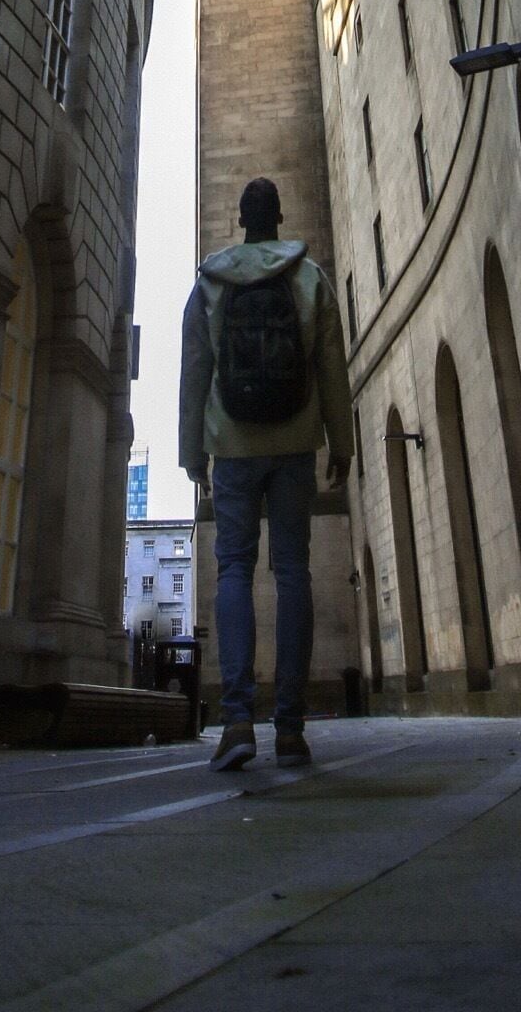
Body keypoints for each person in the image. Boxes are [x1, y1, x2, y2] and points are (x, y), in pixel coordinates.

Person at [179, 175, 354, 771]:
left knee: (233, 569)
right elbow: (332, 362)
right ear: (278, 219)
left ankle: (235, 720)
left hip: (230, 444)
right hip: (294, 441)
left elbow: (194, 369)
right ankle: (290, 727)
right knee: (292, 572)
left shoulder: (211, 281)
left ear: (239, 219)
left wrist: (190, 454)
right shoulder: (307, 277)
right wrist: (342, 439)